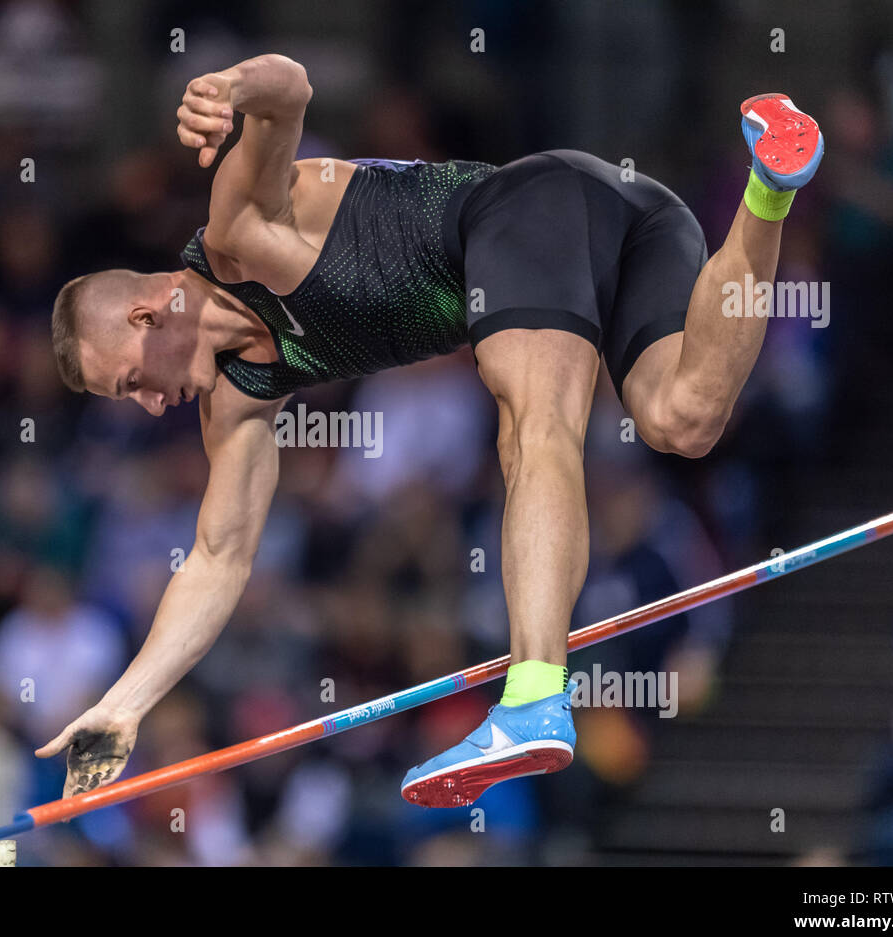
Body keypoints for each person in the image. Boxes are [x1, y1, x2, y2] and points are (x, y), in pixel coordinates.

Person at [42, 54, 824, 807]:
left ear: (147, 319)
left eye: (132, 383)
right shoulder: (240, 397)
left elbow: (290, 88)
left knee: (533, 428)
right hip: (633, 221)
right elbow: (218, 557)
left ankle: (532, 696)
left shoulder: (238, 231)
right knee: (680, 419)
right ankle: (768, 183)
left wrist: (227, 85)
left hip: (529, 207)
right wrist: (124, 704)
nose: (148, 406)